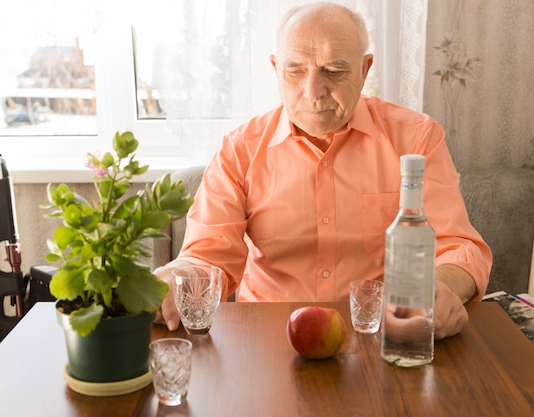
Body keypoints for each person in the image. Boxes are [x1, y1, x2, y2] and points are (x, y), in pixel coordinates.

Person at [154, 2, 492, 340]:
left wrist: (444, 286)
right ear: (276, 69)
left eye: (333, 70)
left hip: (378, 336)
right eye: (295, 70)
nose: (313, 92)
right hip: (269, 340)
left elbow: (457, 246)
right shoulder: (240, 149)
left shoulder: (416, 139)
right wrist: (177, 276)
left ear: (364, 69)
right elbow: (208, 254)